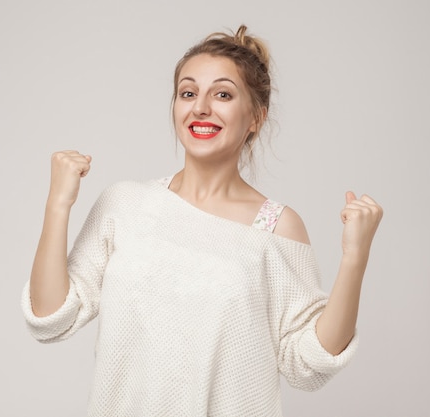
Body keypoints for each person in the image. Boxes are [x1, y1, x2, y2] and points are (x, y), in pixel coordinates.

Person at [21, 25, 383, 416]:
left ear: (256, 117)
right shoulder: (124, 205)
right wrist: (58, 204)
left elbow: (308, 362)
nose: (200, 107)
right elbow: (50, 317)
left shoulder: (275, 227)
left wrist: (354, 257)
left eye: (223, 94)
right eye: (188, 93)